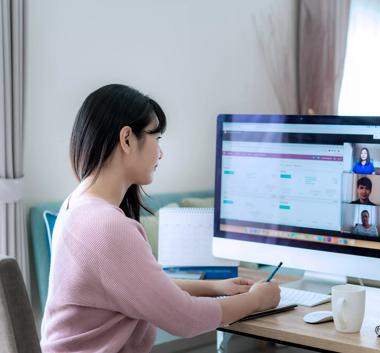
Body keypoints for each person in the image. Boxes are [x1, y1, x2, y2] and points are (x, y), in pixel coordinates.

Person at [40, 84, 280, 353]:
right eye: (157, 138)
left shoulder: (77, 204)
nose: (161, 153)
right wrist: (257, 300)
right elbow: (186, 319)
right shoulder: (107, 227)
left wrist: (212, 287)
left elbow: (143, 286)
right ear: (127, 139)